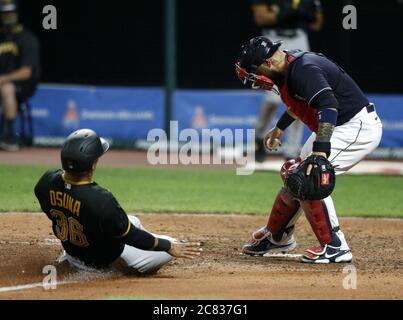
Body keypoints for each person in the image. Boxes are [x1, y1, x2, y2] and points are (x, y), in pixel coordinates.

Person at [236, 37, 382, 263]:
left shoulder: (304, 68)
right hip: (339, 126)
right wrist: (279, 127)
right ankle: (278, 236)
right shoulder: (289, 68)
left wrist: (320, 152)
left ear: (268, 63)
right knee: (292, 173)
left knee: (311, 176)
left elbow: (328, 105)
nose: (256, 79)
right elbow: (301, 102)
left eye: (255, 71)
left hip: (354, 127)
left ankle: (336, 247)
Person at [34, 129, 201, 273]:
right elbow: (132, 236)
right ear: (92, 165)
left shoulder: (46, 182)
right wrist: (168, 246)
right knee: (169, 243)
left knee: (133, 221)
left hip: (73, 250)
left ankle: (71, 256)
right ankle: (122, 270)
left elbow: (62, 205)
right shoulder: (101, 200)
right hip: (103, 262)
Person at [250, 0, 323, 161]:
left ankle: (291, 149)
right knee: (272, 99)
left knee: (300, 94)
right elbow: (261, 18)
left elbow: (317, 23)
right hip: (273, 40)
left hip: (298, 38)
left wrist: (301, 13)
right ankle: (259, 138)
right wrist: (290, 12)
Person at [0, 0, 40, 151]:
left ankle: (10, 137)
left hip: (24, 85)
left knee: (7, 88)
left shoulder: (26, 38)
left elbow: (26, 72)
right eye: (5, 13)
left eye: (11, 13)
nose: (8, 16)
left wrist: (3, 79)